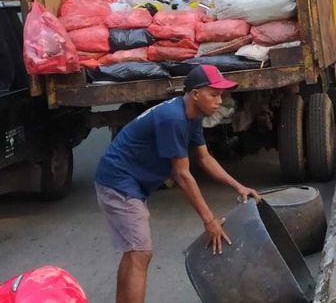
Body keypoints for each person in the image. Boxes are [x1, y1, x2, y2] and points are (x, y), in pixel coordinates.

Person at [94, 65, 261, 303]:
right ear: (195, 94)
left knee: (134, 252)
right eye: (213, 94)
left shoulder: (192, 116)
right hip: (117, 182)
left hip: (124, 182)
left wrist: (238, 186)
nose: (219, 100)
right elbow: (182, 175)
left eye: (220, 94)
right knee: (140, 253)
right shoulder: (173, 119)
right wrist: (209, 220)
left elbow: (205, 158)